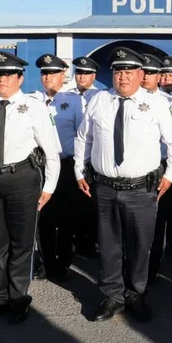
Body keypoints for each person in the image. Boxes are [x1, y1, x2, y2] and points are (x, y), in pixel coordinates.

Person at [74, 49, 172, 323]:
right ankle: (112, 295)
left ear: (141, 75)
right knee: (108, 245)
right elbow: (83, 138)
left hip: (141, 189)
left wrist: (169, 174)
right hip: (105, 187)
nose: (122, 78)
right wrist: (78, 169)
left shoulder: (156, 104)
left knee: (140, 245)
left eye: (129, 72)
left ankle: (136, 293)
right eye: (118, 72)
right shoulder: (99, 101)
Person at [0, 51, 62, 324]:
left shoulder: (33, 107)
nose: (1, 80)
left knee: (21, 242)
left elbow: (50, 151)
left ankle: (18, 297)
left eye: (7, 75)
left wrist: (49, 187)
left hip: (21, 180)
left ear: (19, 78)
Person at [32, 53, 83, 281]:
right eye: (44, 73)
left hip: (66, 166)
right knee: (42, 217)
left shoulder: (74, 101)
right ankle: (44, 262)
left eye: (52, 73)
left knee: (65, 218)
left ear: (64, 74)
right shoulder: (31, 101)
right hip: (40, 165)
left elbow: (83, 136)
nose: (47, 77)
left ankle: (63, 263)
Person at [141, 53, 172, 281]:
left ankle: (160, 257)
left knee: (169, 210)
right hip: (141, 167)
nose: (166, 77)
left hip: (168, 164)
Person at [67, 55, 101, 255]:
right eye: (79, 72)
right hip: (70, 157)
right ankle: (74, 239)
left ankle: (91, 241)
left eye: (86, 73)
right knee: (72, 203)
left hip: (92, 159)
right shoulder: (66, 95)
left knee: (91, 203)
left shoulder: (100, 97)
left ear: (94, 76)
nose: (82, 76)